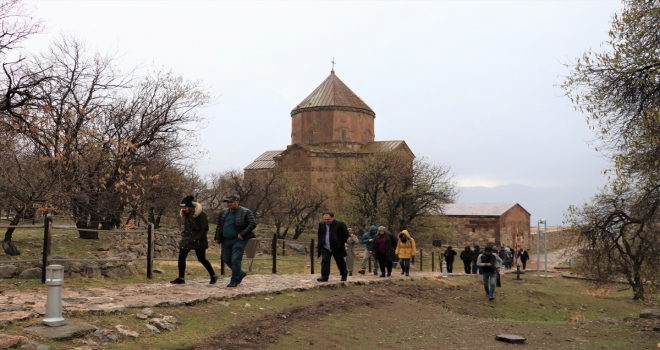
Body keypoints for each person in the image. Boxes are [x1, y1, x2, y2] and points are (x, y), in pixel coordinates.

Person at [171, 195, 218, 285]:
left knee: (201, 258)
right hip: (187, 239)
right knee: (181, 256)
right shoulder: (186, 215)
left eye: (185, 207)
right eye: (182, 208)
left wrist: (197, 238)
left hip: (199, 239)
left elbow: (204, 228)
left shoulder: (201, 215)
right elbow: (187, 227)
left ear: (190, 207)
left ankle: (213, 275)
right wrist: (184, 232)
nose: (183, 209)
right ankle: (181, 278)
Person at [214, 195, 257, 288]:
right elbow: (220, 226)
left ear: (237, 202)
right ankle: (240, 273)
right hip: (226, 240)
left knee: (235, 260)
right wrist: (217, 237)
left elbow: (253, 223)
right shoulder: (224, 212)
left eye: (231, 202)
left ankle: (234, 281)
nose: (229, 204)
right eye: (227, 202)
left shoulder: (245, 212)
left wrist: (242, 234)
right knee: (226, 259)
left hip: (239, 240)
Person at [316, 212, 350, 282]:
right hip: (325, 246)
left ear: (332, 218)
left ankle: (344, 275)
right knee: (325, 261)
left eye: (328, 219)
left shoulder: (340, 224)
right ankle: (324, 276)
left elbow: (345, 234)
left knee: (339, 261)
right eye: (324, 219)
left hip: (337, 247)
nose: (326, 221)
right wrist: (321, 243)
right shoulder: (321, 225)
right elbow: (320, 234)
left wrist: (340, 243)